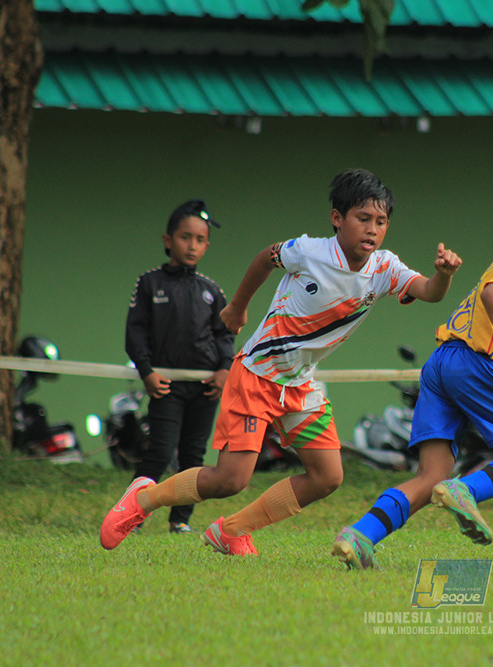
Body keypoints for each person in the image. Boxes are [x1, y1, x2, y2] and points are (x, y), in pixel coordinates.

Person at [100, 168, 462, 555]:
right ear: (337, 219)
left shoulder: (385, 268)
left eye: (381, 221)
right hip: (257, 375)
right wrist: (238, 308)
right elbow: (266, 258)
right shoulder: (309, 251)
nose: (372, 229)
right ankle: (143, 498)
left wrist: (443, 276)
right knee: (230, 480)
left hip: (300, 384)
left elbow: (428, 292)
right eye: (363, 219)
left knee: (327, 476)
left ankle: (233, 530)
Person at [332, 162, 493, 570]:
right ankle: (467, 490)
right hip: (476, 365)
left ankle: (360, 535)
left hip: (442, 362)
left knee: (430, 476)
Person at [125, 199, 235, 534]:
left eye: (200, 240)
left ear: (207, 245)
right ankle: (130, 514)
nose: (192, 245)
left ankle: (180, 521)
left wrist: (224, 370)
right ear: (168, 240)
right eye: (185, 237)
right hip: (166, 385)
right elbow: (135, 332)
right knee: (159, 451)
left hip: (205, 389)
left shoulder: (211, 290)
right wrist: (147, 371)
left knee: (193, 457)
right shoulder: (149, 283)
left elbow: (224, 335)